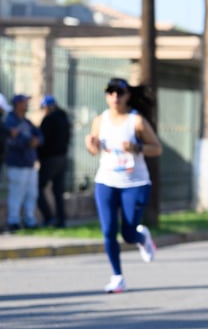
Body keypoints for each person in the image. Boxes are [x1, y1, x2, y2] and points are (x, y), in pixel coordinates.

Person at [84, 78, 162, 293]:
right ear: (107, 96)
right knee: (108, 231)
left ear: (127, 95)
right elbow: (94, 150)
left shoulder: (136, 122)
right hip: (106, 181)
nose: (115, 97)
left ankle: (141, 237)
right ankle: (117, 276)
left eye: (119, 92)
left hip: (135, 183)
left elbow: (156, 148)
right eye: (111, 92)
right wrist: (91, 145)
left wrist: (136, 147)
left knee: (128, 234)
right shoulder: (100, 120)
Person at [4, 94, 42, 231]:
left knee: (31, 194)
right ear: (17, 104)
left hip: (30, 163)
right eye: (24, 102)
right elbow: (10, 141)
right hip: (16, 164)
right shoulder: (10, 121)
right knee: (16, 193)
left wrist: (36, 141)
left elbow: (39, 134)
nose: (26, 104)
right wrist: (27, 142)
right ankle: (13, 221)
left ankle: (29, 220)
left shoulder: (27, 121)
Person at [37, 95, 72, 228]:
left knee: (37, 187)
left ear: (47, 107)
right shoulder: (64, 119)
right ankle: (61, 220)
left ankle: (49, 218)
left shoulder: (49, 119)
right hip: (62, 159)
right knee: (58, 192)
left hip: (50, 159)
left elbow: (43, 140)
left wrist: (39, 155)